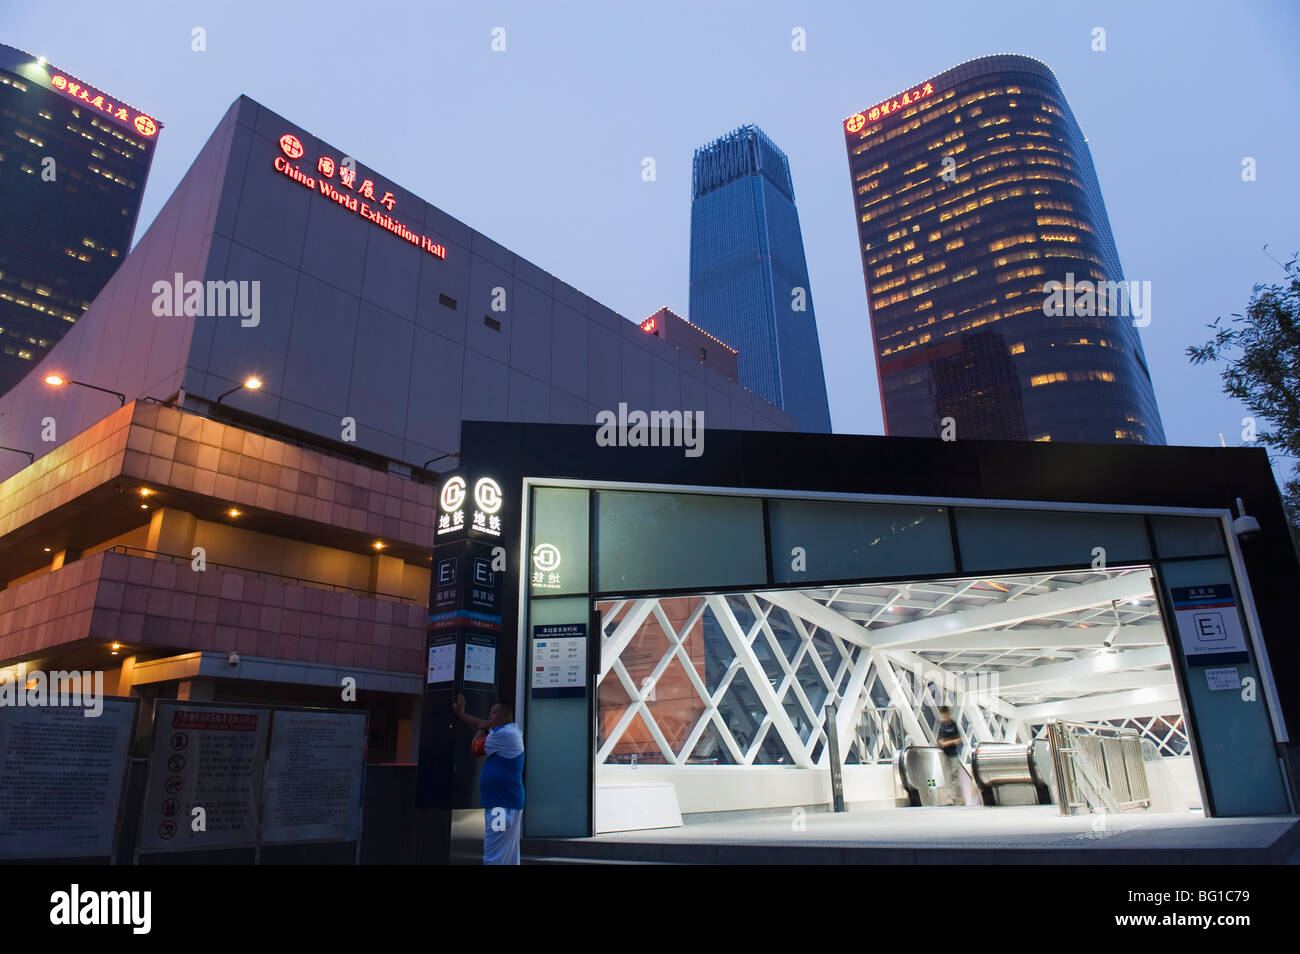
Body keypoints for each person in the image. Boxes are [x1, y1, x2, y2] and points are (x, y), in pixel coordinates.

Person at [453, 694, 525, 864]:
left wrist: (482, 728)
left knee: (494, 852)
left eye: (493, 713)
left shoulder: (502, 735)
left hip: (500, 805)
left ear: (505, 716)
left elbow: (475, 748)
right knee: (507, 854)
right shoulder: (510, 732)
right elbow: (482, 723)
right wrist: (463, 715)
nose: (490, 716)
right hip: (505, 802)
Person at [934, 705, 965, 806]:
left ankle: (956, 797)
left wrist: (948, 743)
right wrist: (941, 742)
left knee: (954, 775)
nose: (944, 717)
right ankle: (951, 797)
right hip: (945, 754)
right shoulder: (942, 725)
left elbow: (959, 739)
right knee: (948, 776)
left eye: (944, 714)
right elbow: (939, 739)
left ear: (947, 714)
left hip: (953, 754)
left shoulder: (953, 725)